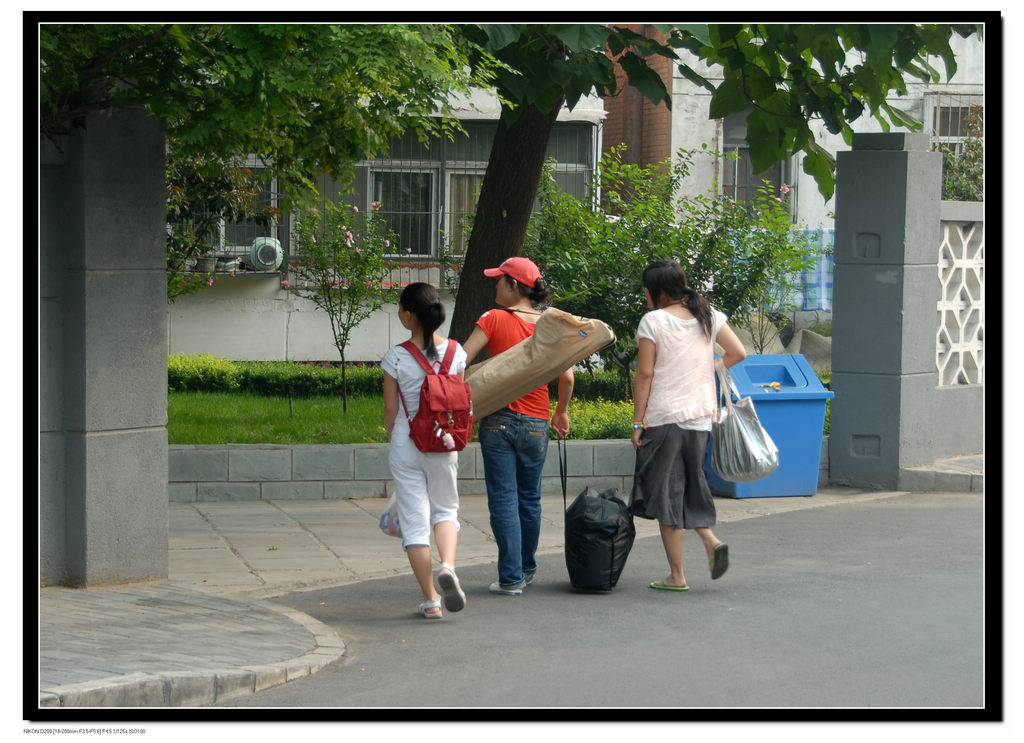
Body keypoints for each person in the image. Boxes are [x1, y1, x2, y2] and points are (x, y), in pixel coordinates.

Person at [629, 260, 747, 591]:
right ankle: (710, 541)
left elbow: (645, 374)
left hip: (665, 418)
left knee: (665, 492)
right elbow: (738, 352)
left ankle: (677, 575)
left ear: (658, 291)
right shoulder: (707, 314)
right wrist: (709, 366)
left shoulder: (653, 321)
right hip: (699, 418)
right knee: (690, 485)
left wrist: (638, 422)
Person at [462, 257, 574, 596]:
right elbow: (566, 376)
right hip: (538, 422)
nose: (495, 285)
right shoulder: (550, 325)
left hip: (498, 419)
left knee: (504, 499)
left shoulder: (493, 318)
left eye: (499, 280)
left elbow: (460, 361)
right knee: (530, 498)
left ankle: (510, 578)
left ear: (513, 285)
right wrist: (562, 413)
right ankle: (526, 568)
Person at [382, 282, 468, 619]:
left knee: (415, 525)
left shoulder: (396, 357)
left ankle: (432, 601)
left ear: (407, 316)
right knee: (446, 511)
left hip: (407, 443)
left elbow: (391, 412)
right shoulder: (457, 353)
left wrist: (397, 438)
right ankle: (448, 565)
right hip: (445, 443)